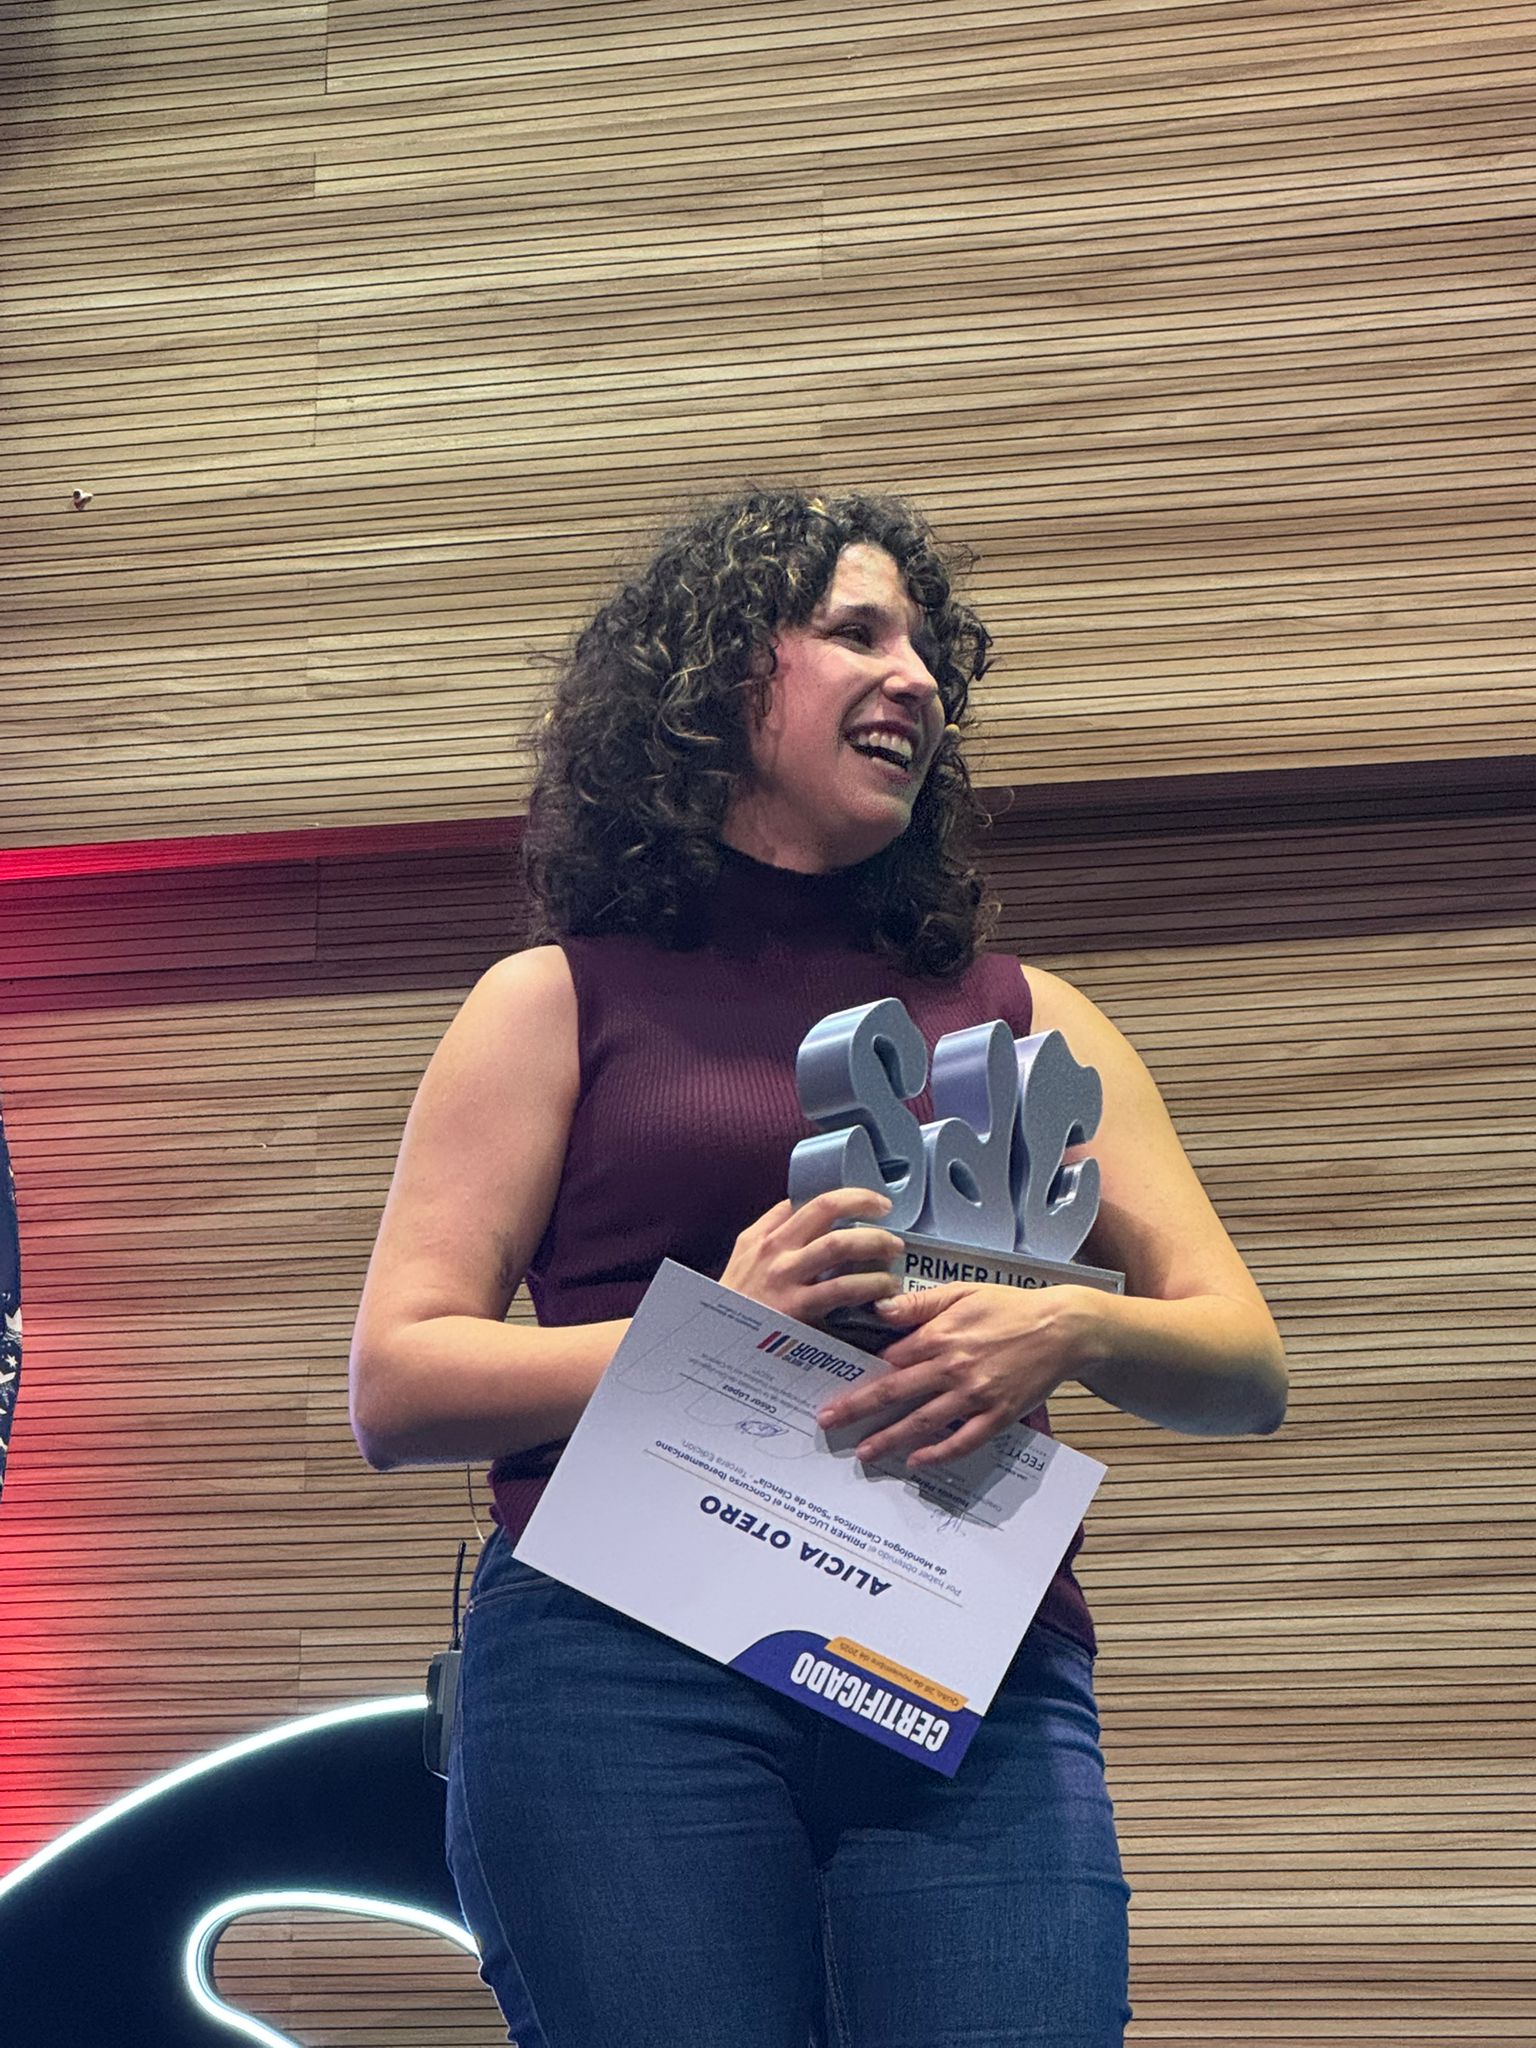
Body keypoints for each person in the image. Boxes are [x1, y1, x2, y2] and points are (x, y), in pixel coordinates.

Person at [348, 487, 1287, 2048]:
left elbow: (1245, 1364)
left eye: (928, 654)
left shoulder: (1029, 1017)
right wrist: (711, 1331)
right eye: (858, 633)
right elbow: (398, 1384)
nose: (914, 678)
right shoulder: (552, 1001)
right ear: (717, 681)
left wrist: (1068, 1327)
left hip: (965, 1678)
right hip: (620, 1671)